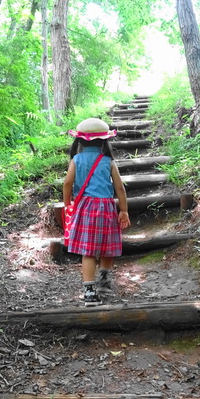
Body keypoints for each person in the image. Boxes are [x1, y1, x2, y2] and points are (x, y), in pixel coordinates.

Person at [63, 118, 130, 306]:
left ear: (80, 141)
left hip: (84, 207)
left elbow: (67, 183)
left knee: (88, 252)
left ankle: (89, 292)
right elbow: (120, 188)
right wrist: (123, 210)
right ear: (104, 141)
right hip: (106, 207)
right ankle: (105, 281)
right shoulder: (108, 161)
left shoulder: (76, 160)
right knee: (108, 245)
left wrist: (68, 203)